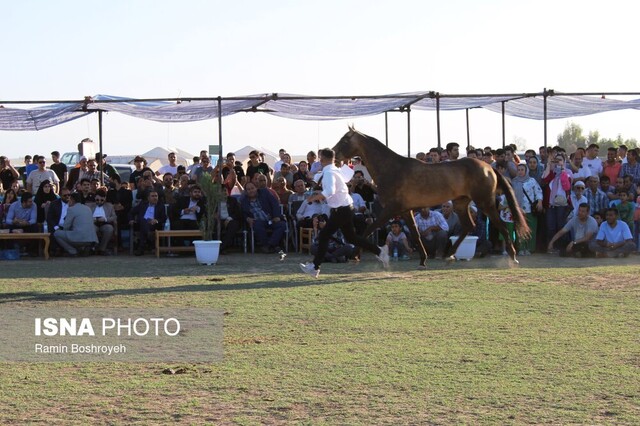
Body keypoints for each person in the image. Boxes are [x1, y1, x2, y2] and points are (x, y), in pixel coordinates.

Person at [299, 148, 388, 278]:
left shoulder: (330, 172)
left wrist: (314, 197)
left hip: (342, 209)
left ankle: (315, 267)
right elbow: (340, 181)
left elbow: (329, 191)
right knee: (351, 238)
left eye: (320, 157)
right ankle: (380, 251)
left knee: (324, 236)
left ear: (322, 159)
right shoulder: (333, 170)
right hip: (344, 208)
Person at [53, 192, 99, 257]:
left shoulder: (71, 209)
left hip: (79, 238)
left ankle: (72, 251)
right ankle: (84, 248)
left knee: (56, 234)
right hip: (91, 238)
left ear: (72, 200)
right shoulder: (87, 208)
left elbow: (66, 227)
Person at [512, 163, 543, 255]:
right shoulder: (514, 181)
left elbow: (538, 191)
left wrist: (540, 202)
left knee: (531, 229)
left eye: (522, 170)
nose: (520, 172)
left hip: (530, 209)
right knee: (520, 229)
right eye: (519, 170)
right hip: (518, 209)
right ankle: (521, 248)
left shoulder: (531, 181)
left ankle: (530, 248)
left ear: (526, 171)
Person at [129, 190, 167, 255]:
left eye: (156, 196)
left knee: (144, 224)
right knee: (144, 221)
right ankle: (149, 236)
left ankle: (141, 248)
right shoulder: (142, 204)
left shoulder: (161, 206)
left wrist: (156, 220)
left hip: (154, 225)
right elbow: (131, 212)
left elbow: (164, 218)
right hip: (141, 224)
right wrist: (131, 219)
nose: (155, 198)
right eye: (152, 196)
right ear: (148, 198)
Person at [90, 189, 117, 255]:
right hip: (94, 223)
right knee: (91, 228)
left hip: (105, 223)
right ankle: (93, 247)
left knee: (109, 228)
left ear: (105, 198)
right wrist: (92, 219)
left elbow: (114, 217)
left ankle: (102, 249)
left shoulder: (109, 206)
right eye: (97, 200)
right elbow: (86, 216)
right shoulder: (91, 206)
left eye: (101, 200)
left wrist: (105, 219)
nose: (99, 202)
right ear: (95, 198)